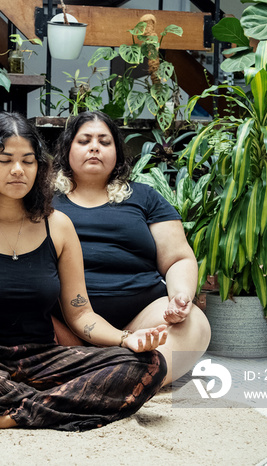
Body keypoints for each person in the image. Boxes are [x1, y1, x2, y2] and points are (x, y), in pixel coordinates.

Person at [0, 112, 168, 433]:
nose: (18, 170)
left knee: (149, 363)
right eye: (5, 160)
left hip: (45, 360)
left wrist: (128, 339)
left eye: (28, 161)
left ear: (40, 167)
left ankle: (9, 415)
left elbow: (81, 315)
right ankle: (55, 405)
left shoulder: (58, 226)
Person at [51, 111, 211, 384]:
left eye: (104, 141)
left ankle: (119, 380)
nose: (94, 147)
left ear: (117, 153)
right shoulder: (42, 200)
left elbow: (178, 259)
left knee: (194, 324)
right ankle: (112, 375)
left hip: (141, 321)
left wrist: (180, 297)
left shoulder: (145, 197)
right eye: (84, 140)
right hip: (64, 326)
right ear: (67, 149)